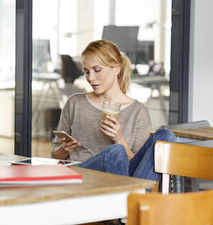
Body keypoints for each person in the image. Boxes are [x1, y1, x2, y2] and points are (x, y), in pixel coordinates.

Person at [51, 39, 176, 181]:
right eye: (86, 72)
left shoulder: (138, 111)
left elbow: (138, 166)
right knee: (115, 152)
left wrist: (119, 139)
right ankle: (131, 196)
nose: (91, 78)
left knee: (166, 136)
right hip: (83, 175)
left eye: (97, 70)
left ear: (116, 68)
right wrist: (64, 149)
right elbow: (55, 154)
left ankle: (127, 196)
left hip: (123, 176)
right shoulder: (75, 103)